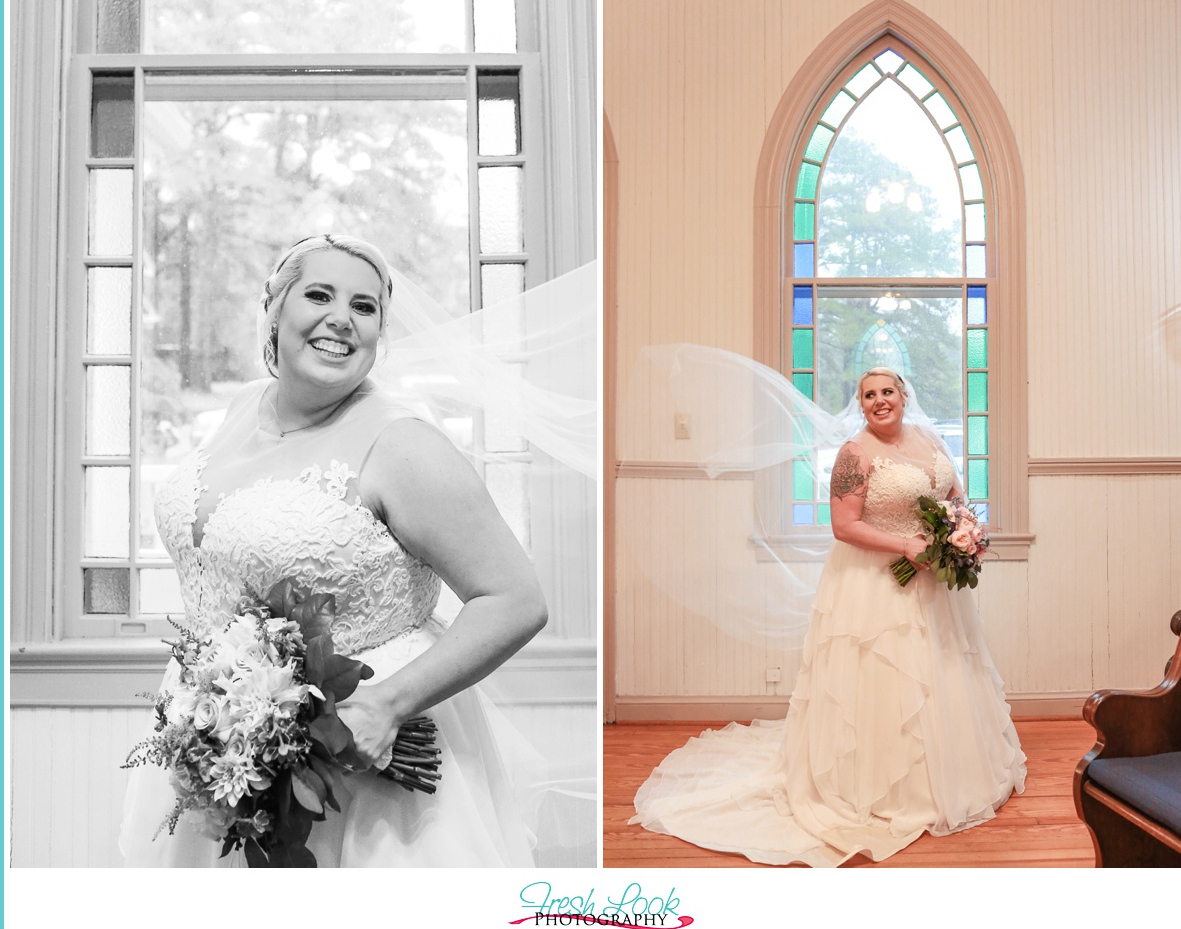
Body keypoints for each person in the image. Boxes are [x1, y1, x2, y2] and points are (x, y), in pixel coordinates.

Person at [121, 234, 550, 866]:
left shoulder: (403, 446)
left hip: (364, 778)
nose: (341, 319)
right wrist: (220, 709)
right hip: (218, 748)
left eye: (365, 306)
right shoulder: (244, 408)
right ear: (273, 306)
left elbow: (515, 599)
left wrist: (386, 704)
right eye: (318, 295)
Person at [630, 367, 1027, 867]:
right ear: (860, 404)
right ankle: (882, 789)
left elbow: (955, 500)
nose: (879, 401)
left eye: (887, 392)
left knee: (941, 674)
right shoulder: (854, 454)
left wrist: (963, 531)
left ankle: (949, 778)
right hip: (874, 585)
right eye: (868, 396)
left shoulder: (929, 440)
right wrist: (907, 544)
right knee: (881, 679)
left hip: (934, 587)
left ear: (905, 396)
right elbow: (844, 525)